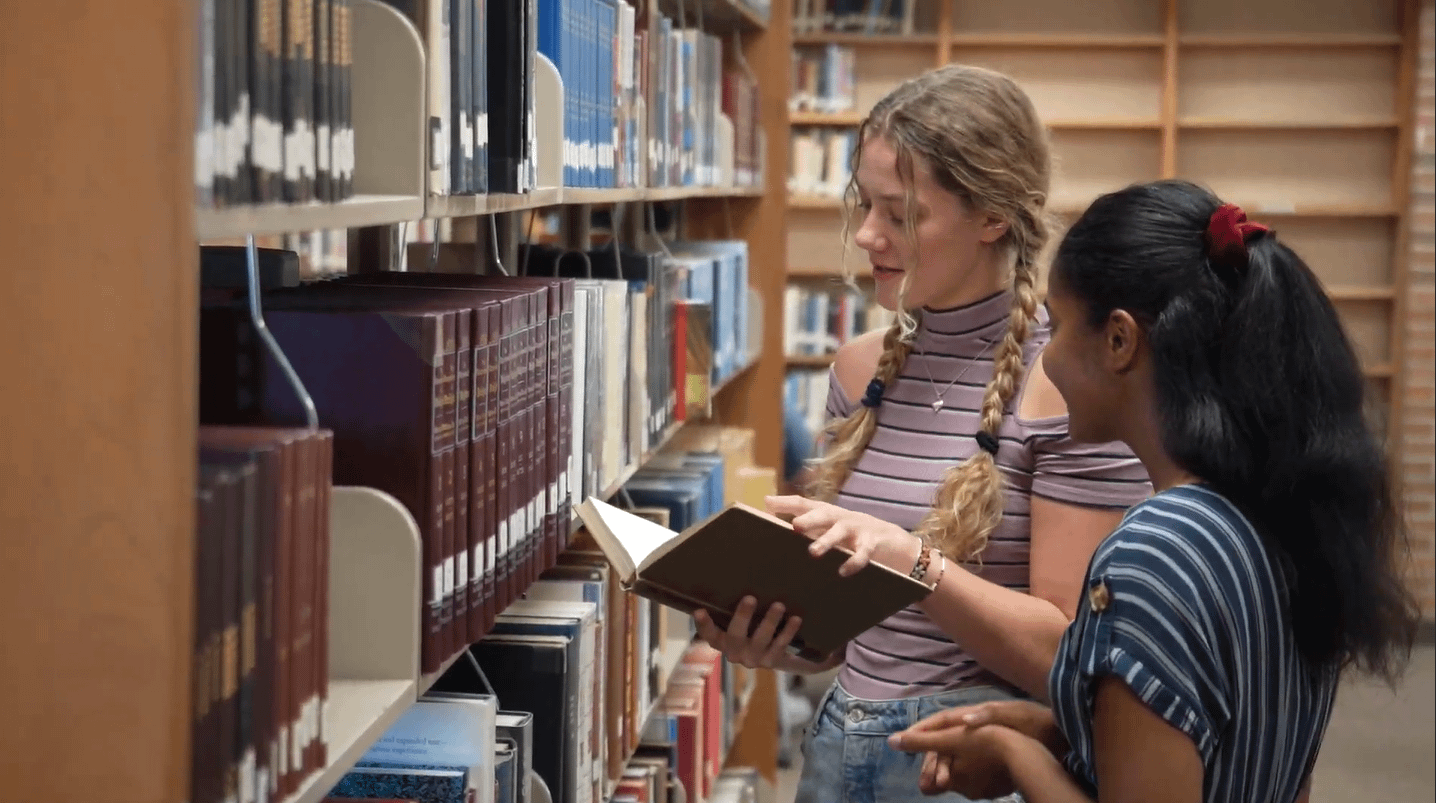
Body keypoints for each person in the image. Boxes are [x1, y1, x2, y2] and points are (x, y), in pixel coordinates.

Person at [692, 64, 1152, 803]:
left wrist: (915, 560)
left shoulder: (1073, 384)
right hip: (839, 747)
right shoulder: (857, 370)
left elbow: (1071, 655)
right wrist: (777, 637)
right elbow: (848, 637)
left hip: (970, 771)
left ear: (992, 217)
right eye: (862, 203)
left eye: (900, 214)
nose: (868, 235)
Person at [887, 180, 1422, 802]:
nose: (1046, 360)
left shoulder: (1154, 552)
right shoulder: (1276, 513)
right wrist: (1068, 731)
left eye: (1056, 328)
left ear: (1119, 340)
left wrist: (1013, 756)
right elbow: (1243, 744)